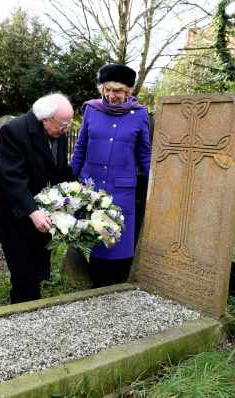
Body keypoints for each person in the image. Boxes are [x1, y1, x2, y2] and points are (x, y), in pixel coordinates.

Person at [70, 64, 151, 287]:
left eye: (118, 91)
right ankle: (92, 285)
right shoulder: (91, 110)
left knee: (117, 242)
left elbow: (144, 153)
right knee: (92, 238)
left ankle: (114, 286)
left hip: (121, 189)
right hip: (91, 186)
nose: (112, 95)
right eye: (108, 90)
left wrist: (153, 184)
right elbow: (81, 146)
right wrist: (69, 177)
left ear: (128, 92)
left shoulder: (140, 115)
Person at [0, 93, 74, 303]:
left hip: (38, 200)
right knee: (21, 260)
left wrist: (80, 193)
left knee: (38, 254)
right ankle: (22, 304)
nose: (67, 129)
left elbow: (60, 170)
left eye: (69, 123)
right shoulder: (13, 131)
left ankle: (33, 294)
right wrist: (32, 211)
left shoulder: (58, 134)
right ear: (45, 119)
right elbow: (12, 178)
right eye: (63, 124)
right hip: (13, 204)